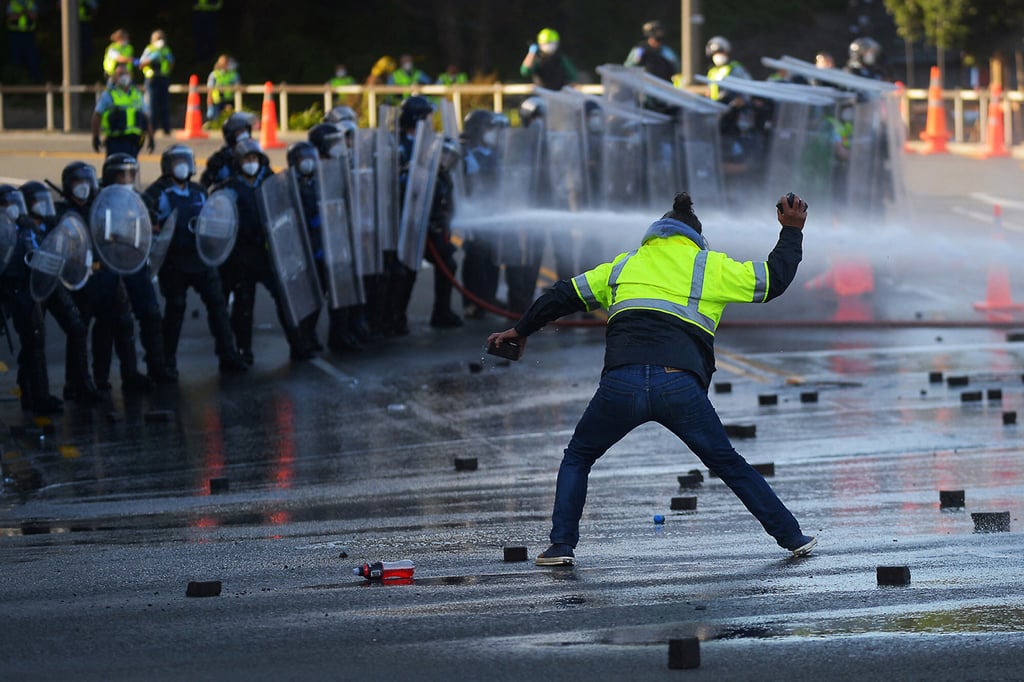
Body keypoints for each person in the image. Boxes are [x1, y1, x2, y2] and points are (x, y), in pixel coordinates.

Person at [487, 191, 817, 566]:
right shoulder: (710, 266)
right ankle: (792, 537)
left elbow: (563, 295)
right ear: (696, 238)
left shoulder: (622, 266)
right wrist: (791, 231)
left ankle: (561, 546)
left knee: (578, 456)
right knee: (729, 464)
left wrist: (522, 329)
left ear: (653, 235)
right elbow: (773, 280)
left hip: (620, 385)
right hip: (679, 385)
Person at [142, 144, 248, 375]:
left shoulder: (199, 191)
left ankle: (228, 355)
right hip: (173, 262)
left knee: (218, 305)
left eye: (185, 160)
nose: (181, 166)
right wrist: (154, 226)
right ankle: (166, 361)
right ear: (167, 166)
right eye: (176, 161)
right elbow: (145, 219)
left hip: (200, 258)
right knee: (175, 308)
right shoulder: (157, 192)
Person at [460, 108, 507, 319]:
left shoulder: (495, 153)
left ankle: (488, 297)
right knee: (475, 258)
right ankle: (473, 301)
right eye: (489, 127)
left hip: (494, 210)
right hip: (475, 212)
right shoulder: (465, 153)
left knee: (492, 257)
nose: (492, 132)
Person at [91, 63, 154, 158]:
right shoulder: (109, 95)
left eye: (125, 74)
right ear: (114, 77)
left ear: (130, 76)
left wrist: (151, 138)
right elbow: (97, 115)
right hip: (116, 141)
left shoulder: (136, 95)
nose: (123, 77)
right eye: (120, 74)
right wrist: (95, 136)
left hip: (134, 143)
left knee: (131, 170)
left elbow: (145, 116)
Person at [199, 111, 253, 188]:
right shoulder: (219, 159)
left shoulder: (256, 155)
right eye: (240, 132)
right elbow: (203, 186)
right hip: (227, 197)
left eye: (246, 131)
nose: (245, 134)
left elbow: (270, 181)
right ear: (230, 135)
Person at [139, 29, 175, 136]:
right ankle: (151, 128)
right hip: (152, 79)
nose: (160, 40)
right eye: (158, 38)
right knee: (151, 105)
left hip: (163, 78)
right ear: (152, 40)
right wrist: (152, 58)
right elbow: (141, 64)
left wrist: (167, 59)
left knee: (165, 104)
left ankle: (166, 128)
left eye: (162, 38)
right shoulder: (149, 50)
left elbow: (171, 65)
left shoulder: (166, 50)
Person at [705, 36, 749, 102]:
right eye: (715, 53)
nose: (718, 55)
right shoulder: (712, 72)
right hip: (715, 106)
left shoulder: (735, 68)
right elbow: (710, 89)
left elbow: (746, 87)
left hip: (733, 106)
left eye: (721, 52)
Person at [5, 0, 41, 82]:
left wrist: (23, 13)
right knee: (16, 61)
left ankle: (35, 84)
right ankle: (16, 83)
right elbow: (10, 17)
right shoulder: (13, 3)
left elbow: (34, 16)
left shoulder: (30, 3)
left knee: (32, 61)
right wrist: (24, 12)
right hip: (15, 36)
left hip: (29, 36)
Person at [206, 54, 239, 122]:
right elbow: (210, 88)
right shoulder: (214, 74)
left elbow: (238, 86)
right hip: (216, 101)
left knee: (229, 120)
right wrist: (209, 100)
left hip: (228, 100)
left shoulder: (233, 74)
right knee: (215, 120)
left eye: (225, 62)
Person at [78, 0, 98, 69]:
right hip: (73, 24)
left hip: (86, 23)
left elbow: (94, 9)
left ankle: (85, 63)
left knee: (85, 45)